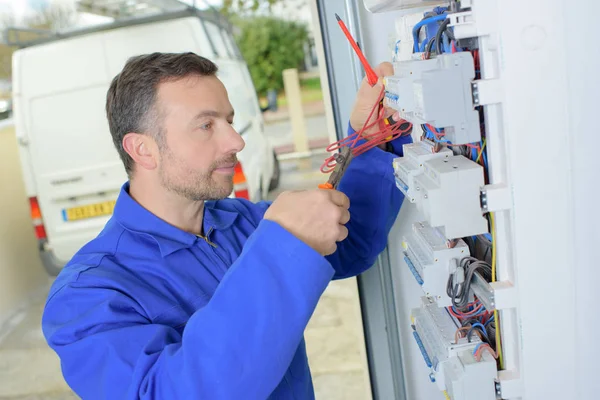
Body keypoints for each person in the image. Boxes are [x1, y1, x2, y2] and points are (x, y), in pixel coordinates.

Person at [41, 52, 412, 399]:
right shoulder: (86, 297)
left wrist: (372, 137)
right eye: (206, 125)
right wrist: (282, 248)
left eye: (229, 120)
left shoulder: (242, 220)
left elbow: (352, 238)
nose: (236, 141)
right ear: (143, 149)